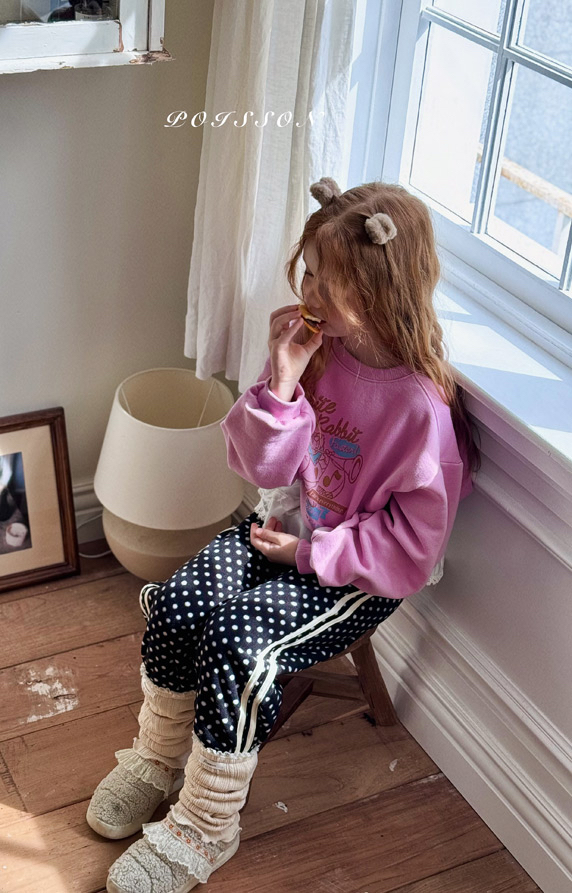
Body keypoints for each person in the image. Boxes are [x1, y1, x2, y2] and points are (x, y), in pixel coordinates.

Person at [89, 177, 481, 893]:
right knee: (177, 603)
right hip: (285, 526)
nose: (308, 292)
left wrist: (309, 552)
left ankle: (206, 825)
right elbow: (258, 467)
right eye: (309, 272)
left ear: (379, 288)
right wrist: (281, 381)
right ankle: (156, 757)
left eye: (328, 281)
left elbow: (411, 547)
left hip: (357, 571)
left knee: (238, 642)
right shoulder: (315, 347)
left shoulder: (422, 409)